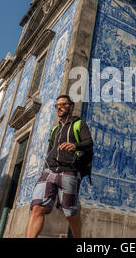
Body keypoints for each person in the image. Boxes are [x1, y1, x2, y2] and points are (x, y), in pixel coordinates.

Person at [26, 94, 93, 238]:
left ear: (71, 106)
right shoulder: (55, 129)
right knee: (37, 207)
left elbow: (89, 143)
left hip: (69, 172)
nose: (60, 108)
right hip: (49, 171)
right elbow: (51, 148)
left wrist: (75, 145)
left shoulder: (79, 124)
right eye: (57, 106)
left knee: (69, 213)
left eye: (63, 105)